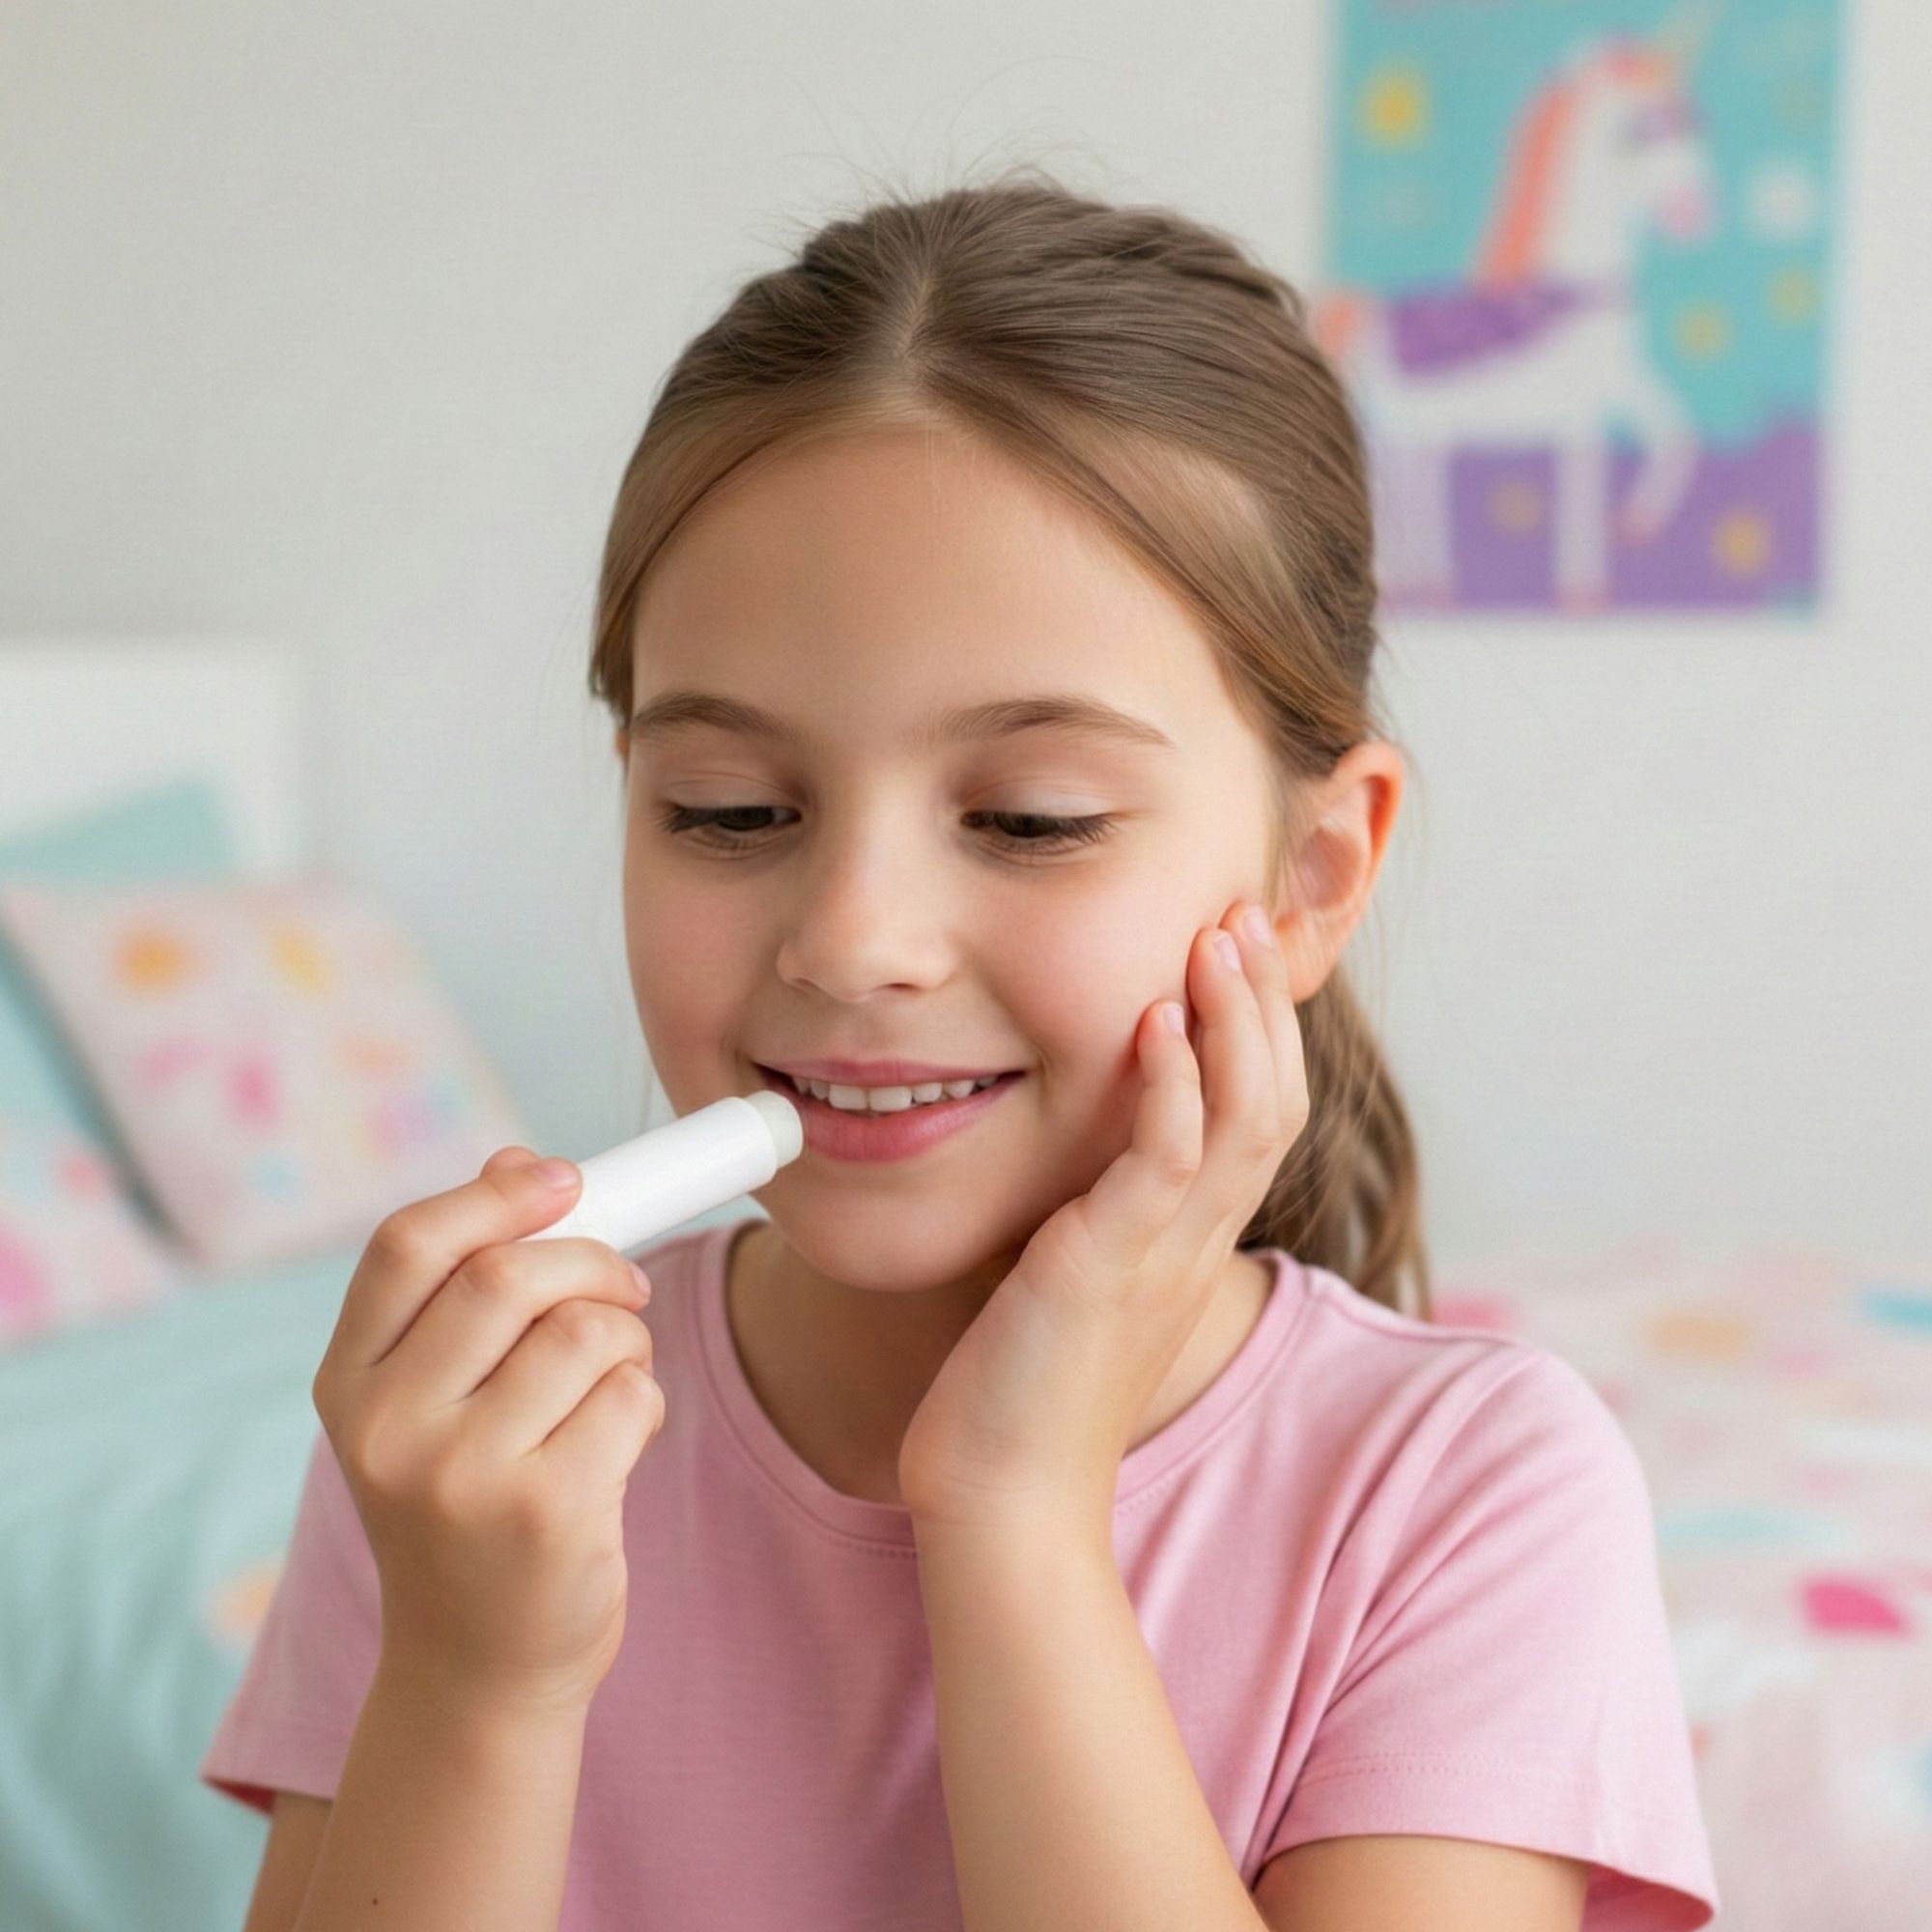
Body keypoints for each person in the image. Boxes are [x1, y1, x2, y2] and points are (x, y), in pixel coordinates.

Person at [200, 168, 1719, 1932]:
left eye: (1031, 818)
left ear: (1310, 878)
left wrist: (1015, 1514)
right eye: (730, 808)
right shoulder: (475, 1450)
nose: (853, 939)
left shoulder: (1465, 1491)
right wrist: (476, 1683)